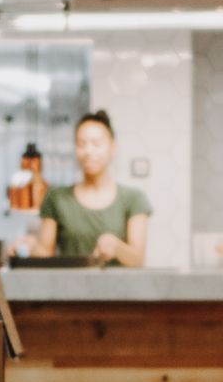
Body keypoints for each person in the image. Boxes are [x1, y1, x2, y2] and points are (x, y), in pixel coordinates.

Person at [32, 110, 151, 266]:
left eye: (96, 144)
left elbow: (138, 260)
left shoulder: (134, 199)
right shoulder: (56, 197)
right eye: (81, 144)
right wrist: (29, 248)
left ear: (112, 147)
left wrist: (116, 247)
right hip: (68, 288)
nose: (88, 151)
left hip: (120, 290)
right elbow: (45, 254)